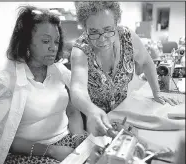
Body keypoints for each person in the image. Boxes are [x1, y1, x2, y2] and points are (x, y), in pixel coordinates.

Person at [0, 5, 87, 164]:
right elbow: (1, 137)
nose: (53, 48)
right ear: (27, 42)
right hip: (29, 152)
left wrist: (78, 137)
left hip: (65, 140)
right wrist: (51, 151)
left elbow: (72, 111)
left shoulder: (59, 71)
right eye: (45, 41)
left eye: (56, 41)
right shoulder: (4, 80)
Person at [70, 1, 181, 137]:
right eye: (94, 32)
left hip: (123, 112)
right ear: (85, 28)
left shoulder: (127, 38)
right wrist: (91, 110)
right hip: (95, 119)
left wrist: (156, 92)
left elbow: (146, 62)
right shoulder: (81, 51)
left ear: (116, 23)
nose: (102, 39)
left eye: (108, 29)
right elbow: (77, 90)